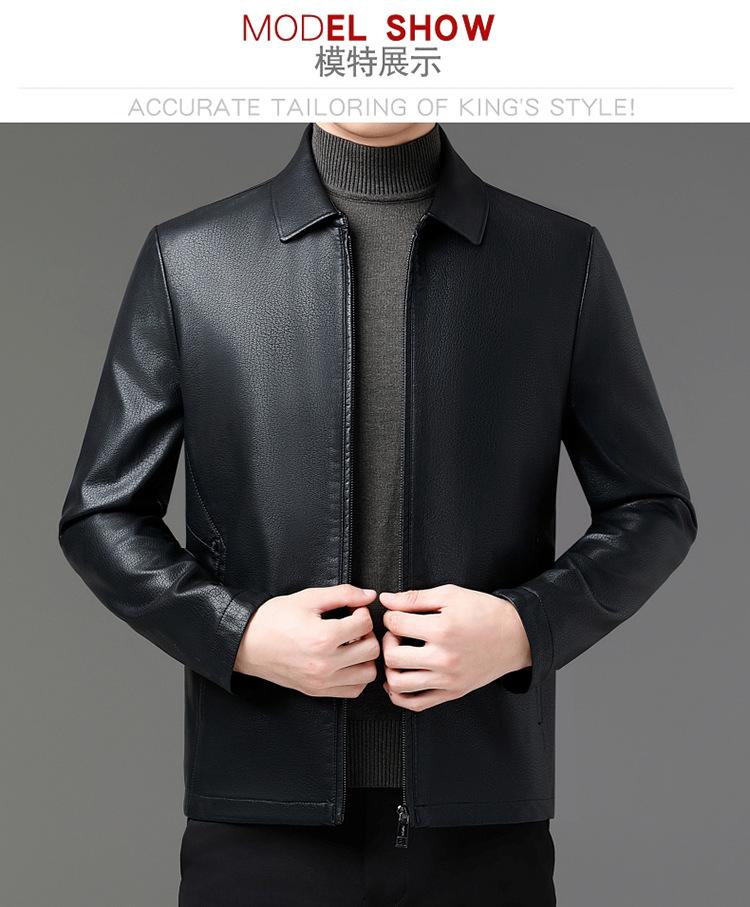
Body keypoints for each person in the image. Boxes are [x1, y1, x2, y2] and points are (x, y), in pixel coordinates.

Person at [59, 121, 697, 906]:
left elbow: (654, 507)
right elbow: (102, 514)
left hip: (480, 824)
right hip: (259, 820)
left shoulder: (558, 259)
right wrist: (240, 634)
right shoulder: (191, 258)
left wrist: (522, 629)